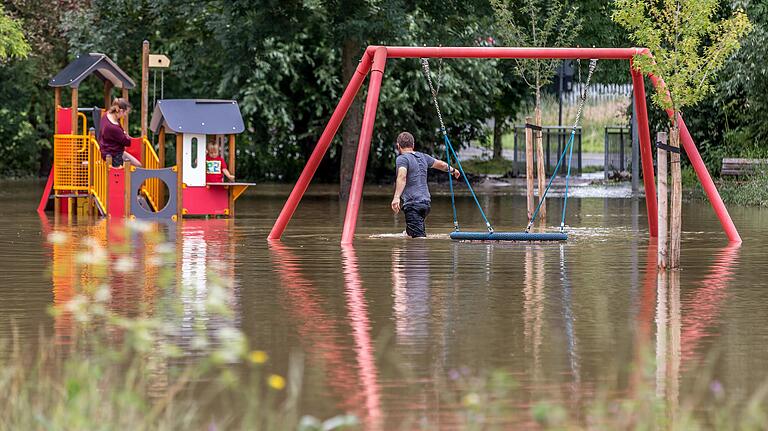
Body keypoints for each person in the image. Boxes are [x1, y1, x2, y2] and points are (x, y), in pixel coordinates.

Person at [391, 131, 460, 238]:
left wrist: (396, 197)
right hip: (426, 203)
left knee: (419, 241)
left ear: (398, 146)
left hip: (413, 204)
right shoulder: (423, 156)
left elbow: (402, 176)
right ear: (413, 145)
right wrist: (453, 170)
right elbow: (441, 164)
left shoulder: (402, 159)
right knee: (410, 235)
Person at [99, 98, 142, 168]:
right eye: (126, 113)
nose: (125, 116)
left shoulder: (106, 115)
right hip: (114, 156)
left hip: (109, 150)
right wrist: (125, 134)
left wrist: (124, 134)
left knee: (138, 165)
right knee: (134, 169)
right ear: (121, 111)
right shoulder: (113, 127)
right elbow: (127, 142)